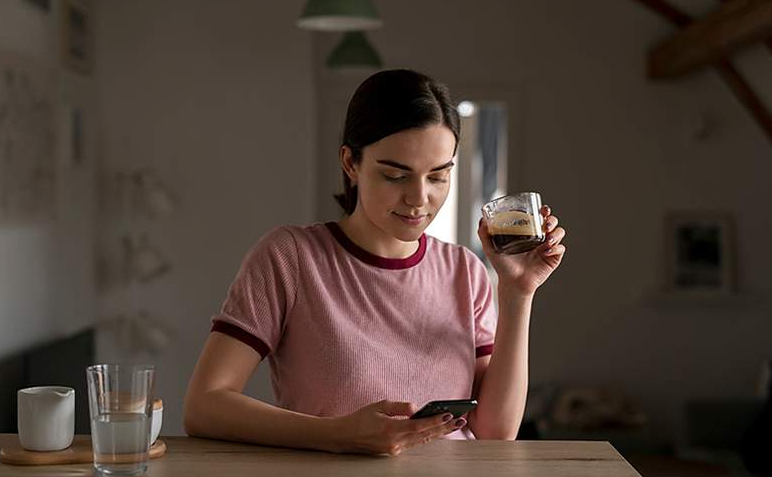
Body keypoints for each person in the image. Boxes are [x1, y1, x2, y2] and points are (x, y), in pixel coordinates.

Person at [184, 69, 566, 456]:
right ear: (350, 162)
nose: (419, 198)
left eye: (438, 177)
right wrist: (337, 435)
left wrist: (518, 293)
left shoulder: (465, 271)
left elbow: (496, 434)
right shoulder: (290, 257)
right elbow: (205, 406)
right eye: (395, 175)